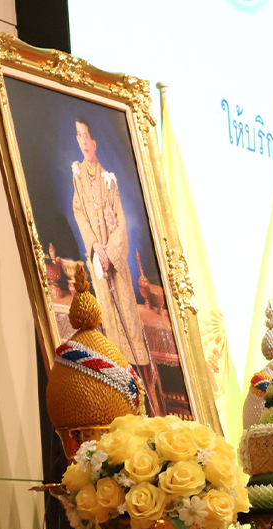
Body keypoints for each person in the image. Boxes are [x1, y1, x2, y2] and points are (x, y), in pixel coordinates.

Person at [69, 116, 161, 414]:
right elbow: (80, 214)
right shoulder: (78, 177)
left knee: (128, 315)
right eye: (79, 135)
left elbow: (120, 222)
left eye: (86, 135)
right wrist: (96, 248)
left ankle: (144, 393)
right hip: (98, 259)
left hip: (115, 261)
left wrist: (110, 251)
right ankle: (122, 394)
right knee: (108, 317)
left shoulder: (109, 180)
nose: (83, 141)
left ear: (94, 142)